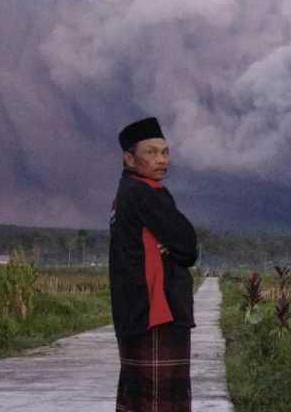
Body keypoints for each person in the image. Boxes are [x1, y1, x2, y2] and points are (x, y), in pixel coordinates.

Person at [109, 117, 198, 412]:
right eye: (151, 152)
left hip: (136, 311)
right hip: (156, 312)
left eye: (165, 152)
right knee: (159, 401)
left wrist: (169, 247)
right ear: (129, 157)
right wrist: (174, 249)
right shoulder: (144, 193)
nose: (161, 160)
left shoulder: (128, 191)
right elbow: (187, 245)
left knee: (141, 399)